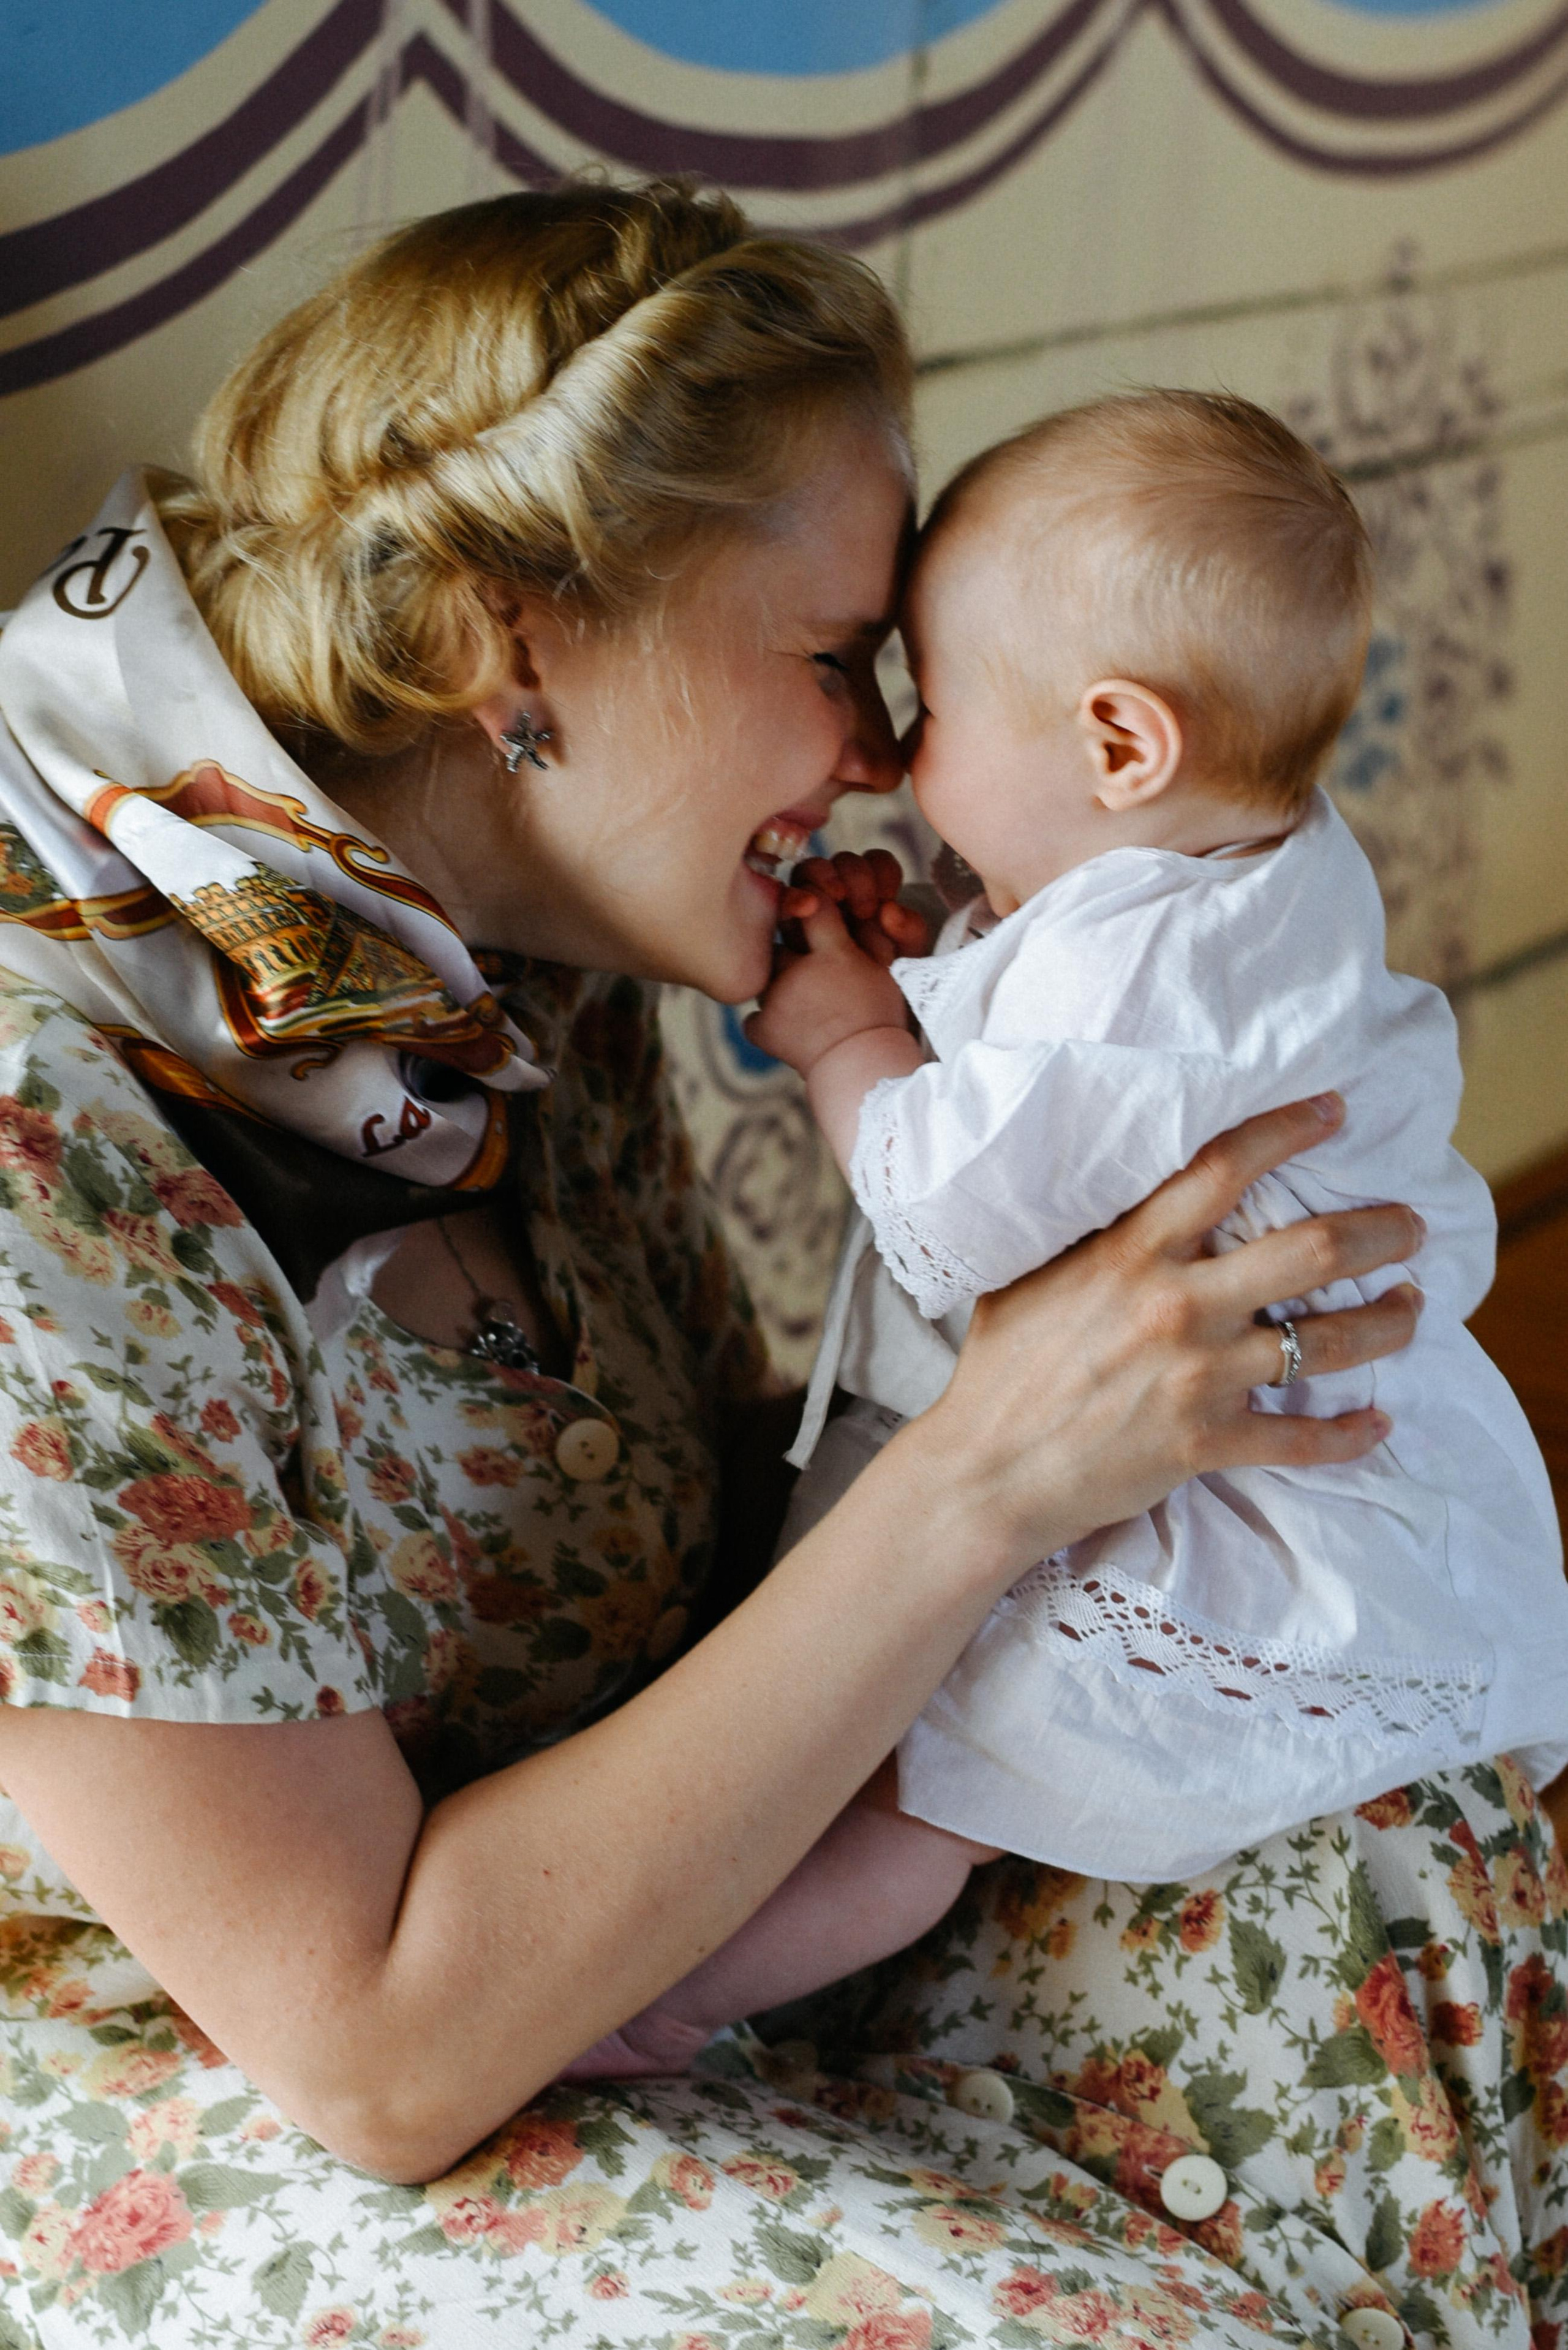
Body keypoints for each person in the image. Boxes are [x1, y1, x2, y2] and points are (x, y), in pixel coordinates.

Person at [0, 181, 1553, 2350]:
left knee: (1392, 1879)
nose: (881, 757)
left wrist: (1130, 1409)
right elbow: (366, 2046)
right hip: (290, 2077)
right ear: (507, 636)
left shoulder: (512, 999)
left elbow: (744, 1512)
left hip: (665, 1884)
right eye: (837, 660)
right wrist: (1006, 1460)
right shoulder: (42, 1136)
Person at [552, 390, 1568, 2082]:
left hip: (1219, 1504)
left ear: (1118, 748)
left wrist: (845, 1045)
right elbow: (1084, 1055)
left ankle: (666, 2002)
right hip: (1322, 1437)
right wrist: (942, 959)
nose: (891, 750)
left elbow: (949, 1205)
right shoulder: (1256, 867)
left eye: (933, 702)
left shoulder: (1142, 980)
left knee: (928, 1785)